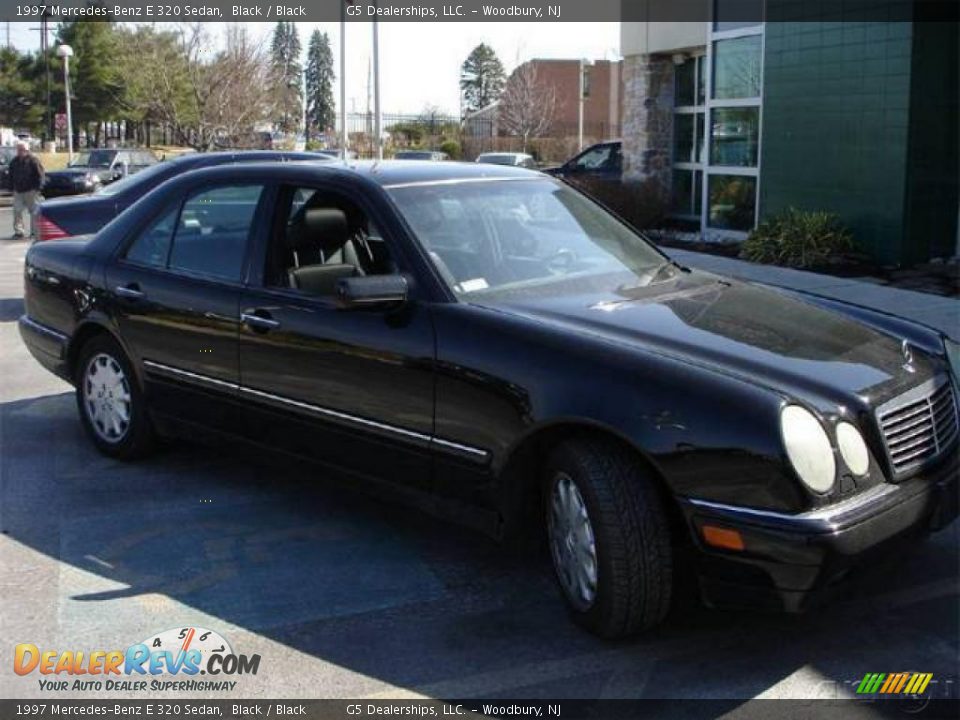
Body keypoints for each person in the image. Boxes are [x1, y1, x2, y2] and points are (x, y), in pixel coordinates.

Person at [9, 141, 44, 239]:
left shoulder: (33, 160)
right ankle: (19, 232)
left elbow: (40, 175)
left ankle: (34, 232)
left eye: (22, 149)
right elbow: (11, 176)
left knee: (34, 212)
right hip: (18, 191)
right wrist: (11, 187)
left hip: (31, 190)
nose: (20, 151)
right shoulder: (14, 162)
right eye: (18, 149)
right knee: (17, 211)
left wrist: (39, 188)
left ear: (27, 150)